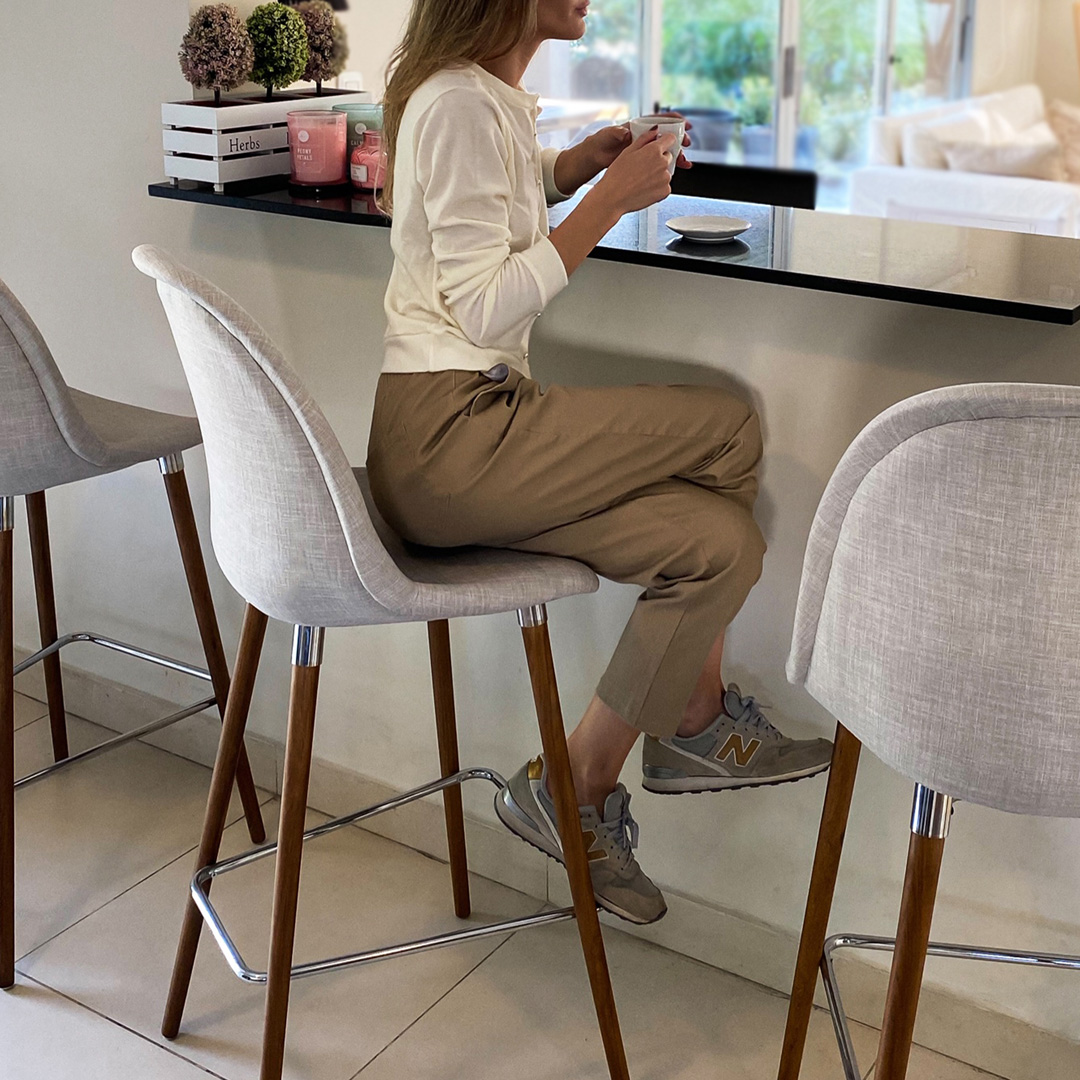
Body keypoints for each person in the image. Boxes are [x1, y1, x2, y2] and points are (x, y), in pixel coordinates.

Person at [366, 0, 832, 926]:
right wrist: (606, 203)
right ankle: (692, 718)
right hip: (452, 433)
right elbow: (483, 309)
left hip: (474, 438)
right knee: (728, 427)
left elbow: (489, 198)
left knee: (722, 547)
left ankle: (576, 782)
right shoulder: (457, 101)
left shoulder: (477, 98)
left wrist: (570, 167)